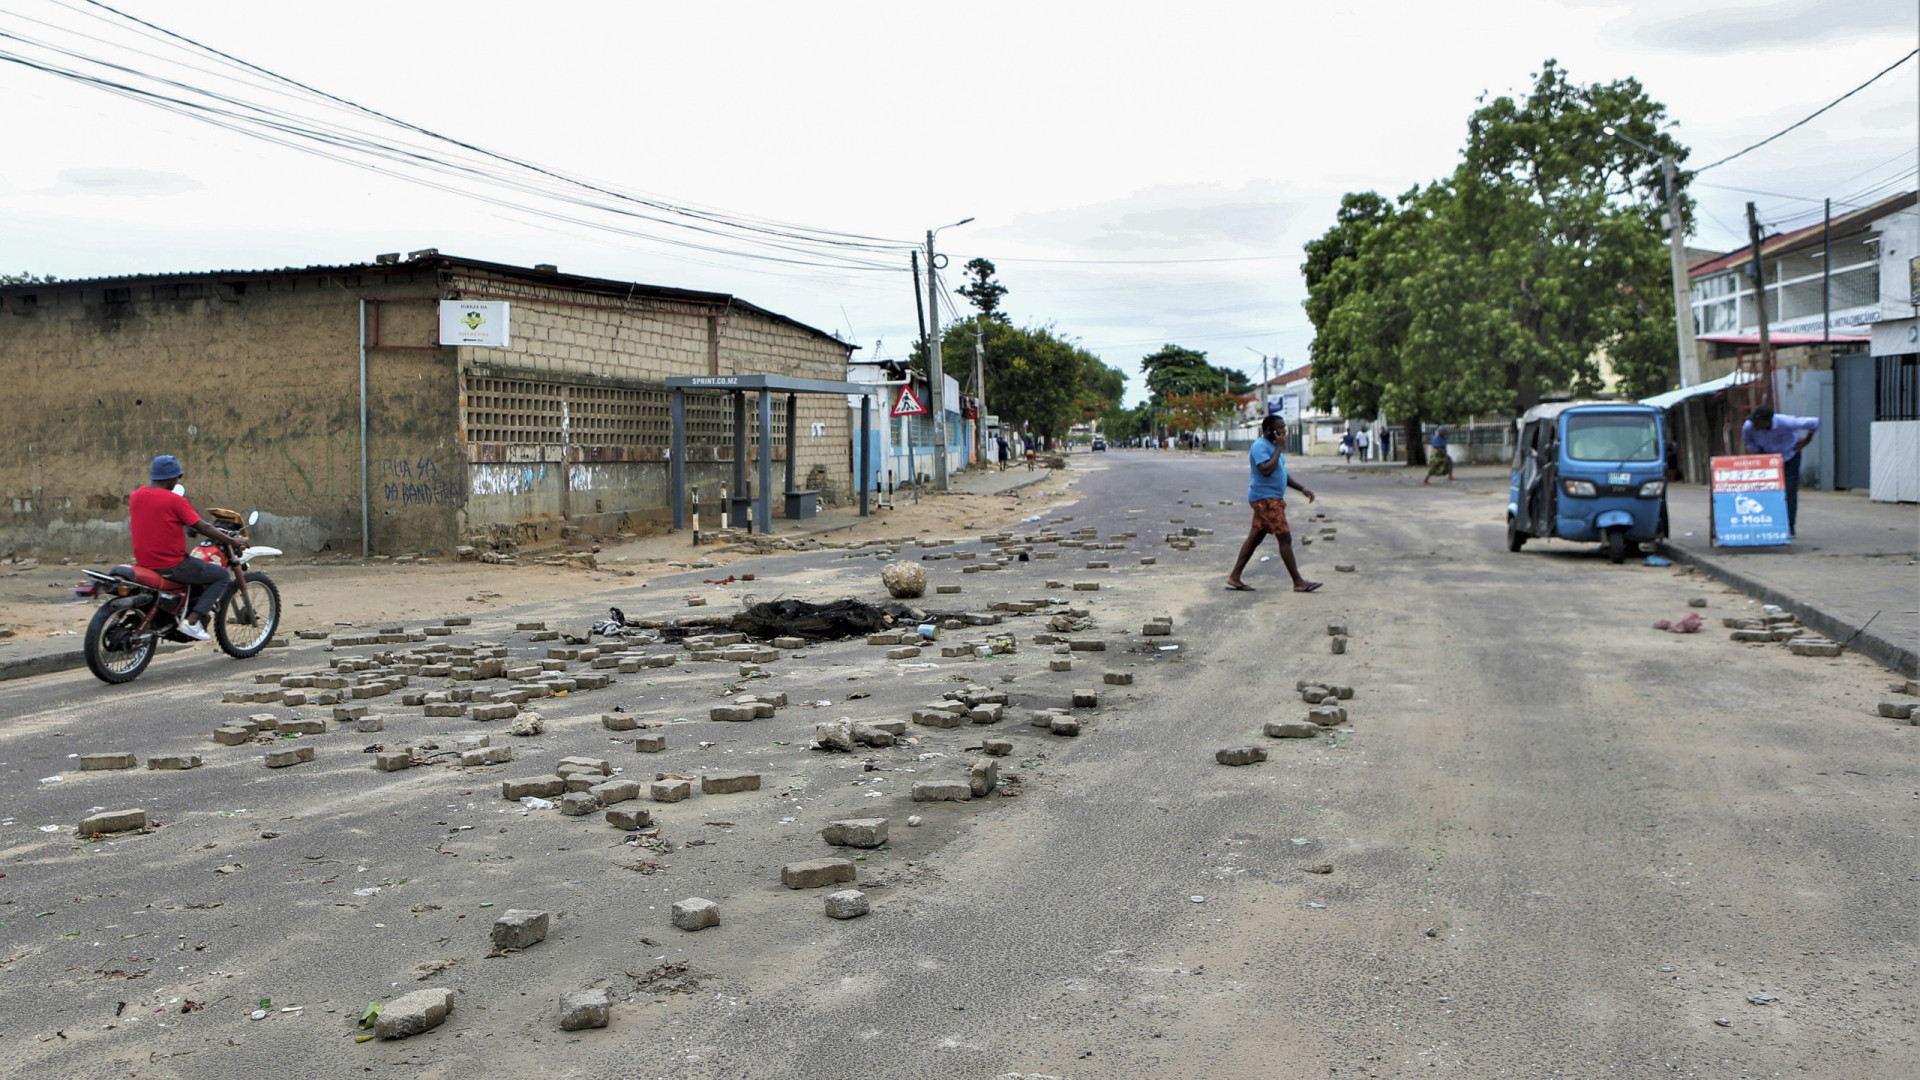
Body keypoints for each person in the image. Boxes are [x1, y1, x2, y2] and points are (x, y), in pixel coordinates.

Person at [128, 455, 237, 641]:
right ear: (171, 478)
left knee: (198, 572)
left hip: (144, 563)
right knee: (221, 576)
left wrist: (185, 527)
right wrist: (232, 541)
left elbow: (159, 519)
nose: (177, 481)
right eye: (177, 477)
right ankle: (192, 622)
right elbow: (204, 527)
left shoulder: (136, 496)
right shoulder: (175, 501)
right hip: (172, 565)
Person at [1226, 414, 1320, 593]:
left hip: (1271, 499)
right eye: (1280, 428)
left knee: (1254, 539)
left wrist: (1302, 489)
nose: (1283, 432)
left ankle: (1234, 577)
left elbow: (1281, 473)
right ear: (1269, 430)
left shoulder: (1273, 447)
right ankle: (1298, 582)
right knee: (1285, 538)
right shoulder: (1260, 447)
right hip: (1266, 500)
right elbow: (1267, 469)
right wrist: (1279, 449)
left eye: (1284, 428)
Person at [1741, 406, 1820, 536]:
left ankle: (1789, 526)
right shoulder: (1748, 426)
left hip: (1789, 456)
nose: (1754, 425)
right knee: (1767, 490)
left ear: (1768, 421)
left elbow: (1814, 422)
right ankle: (1768, 523)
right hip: (1768, 458)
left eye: (1757, 423)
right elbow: (1748, 441)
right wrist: (1758, 451)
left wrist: (1807, 440)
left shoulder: (1787, 422)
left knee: (1789, 491)